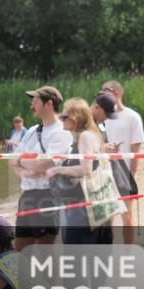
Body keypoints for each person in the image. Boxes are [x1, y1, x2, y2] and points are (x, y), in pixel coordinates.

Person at [9, 86, 72, 250]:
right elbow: (11, 161)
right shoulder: (31, 130)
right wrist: (27, 173)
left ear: (48, 104)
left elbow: (44, 164)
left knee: (45, 255)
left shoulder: (63, 131)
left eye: (35, 101)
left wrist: (24, 162)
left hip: (47, 196)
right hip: (26, 197)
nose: (32, 105)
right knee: (20, 251)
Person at [46, 98, 115, 245]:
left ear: (75, 119)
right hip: (95, 203)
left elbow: (86, 169)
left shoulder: (85, 136)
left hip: (83, 207)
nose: (60, 119)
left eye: (64, 117)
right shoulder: (91, 134)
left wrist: (56, 169)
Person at [100, 80, 144, 245]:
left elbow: (136, 150)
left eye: (105, 92)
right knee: (107, 217)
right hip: (103, 172)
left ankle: (128, 249)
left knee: (127, 215)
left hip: (124, 172)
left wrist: (132, 175)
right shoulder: (100, 118)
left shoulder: (132, 117)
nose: (101, 97)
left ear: (116, 94)